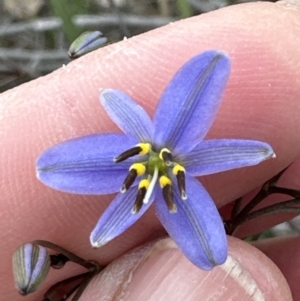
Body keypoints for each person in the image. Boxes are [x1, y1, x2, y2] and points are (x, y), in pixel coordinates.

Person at [2, 1, 300, 300]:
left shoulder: (168, 167)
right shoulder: (147, 174)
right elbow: (55, 168)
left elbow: (206, 72)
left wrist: (252, 153)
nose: (157, 165)